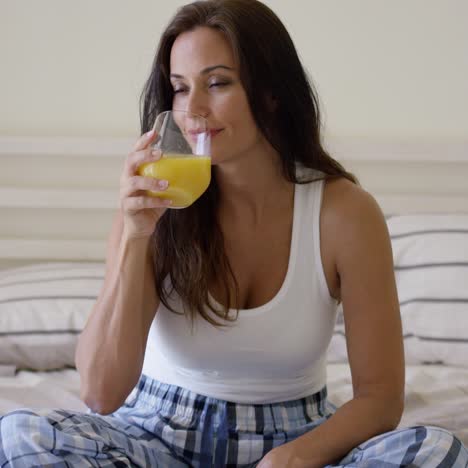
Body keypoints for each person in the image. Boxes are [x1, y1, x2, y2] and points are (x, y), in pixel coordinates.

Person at [1, 0, 467, 466]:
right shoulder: (155, 203)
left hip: (297, 437)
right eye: (180, 89)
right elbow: (100, 394)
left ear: (272, 91)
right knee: (22, 434)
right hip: (156, 436)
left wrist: (296, 457)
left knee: (437, 451)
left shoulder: (344, 214)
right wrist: (135, 236)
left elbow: (381, 398)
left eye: (218, 83)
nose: (194, 109)